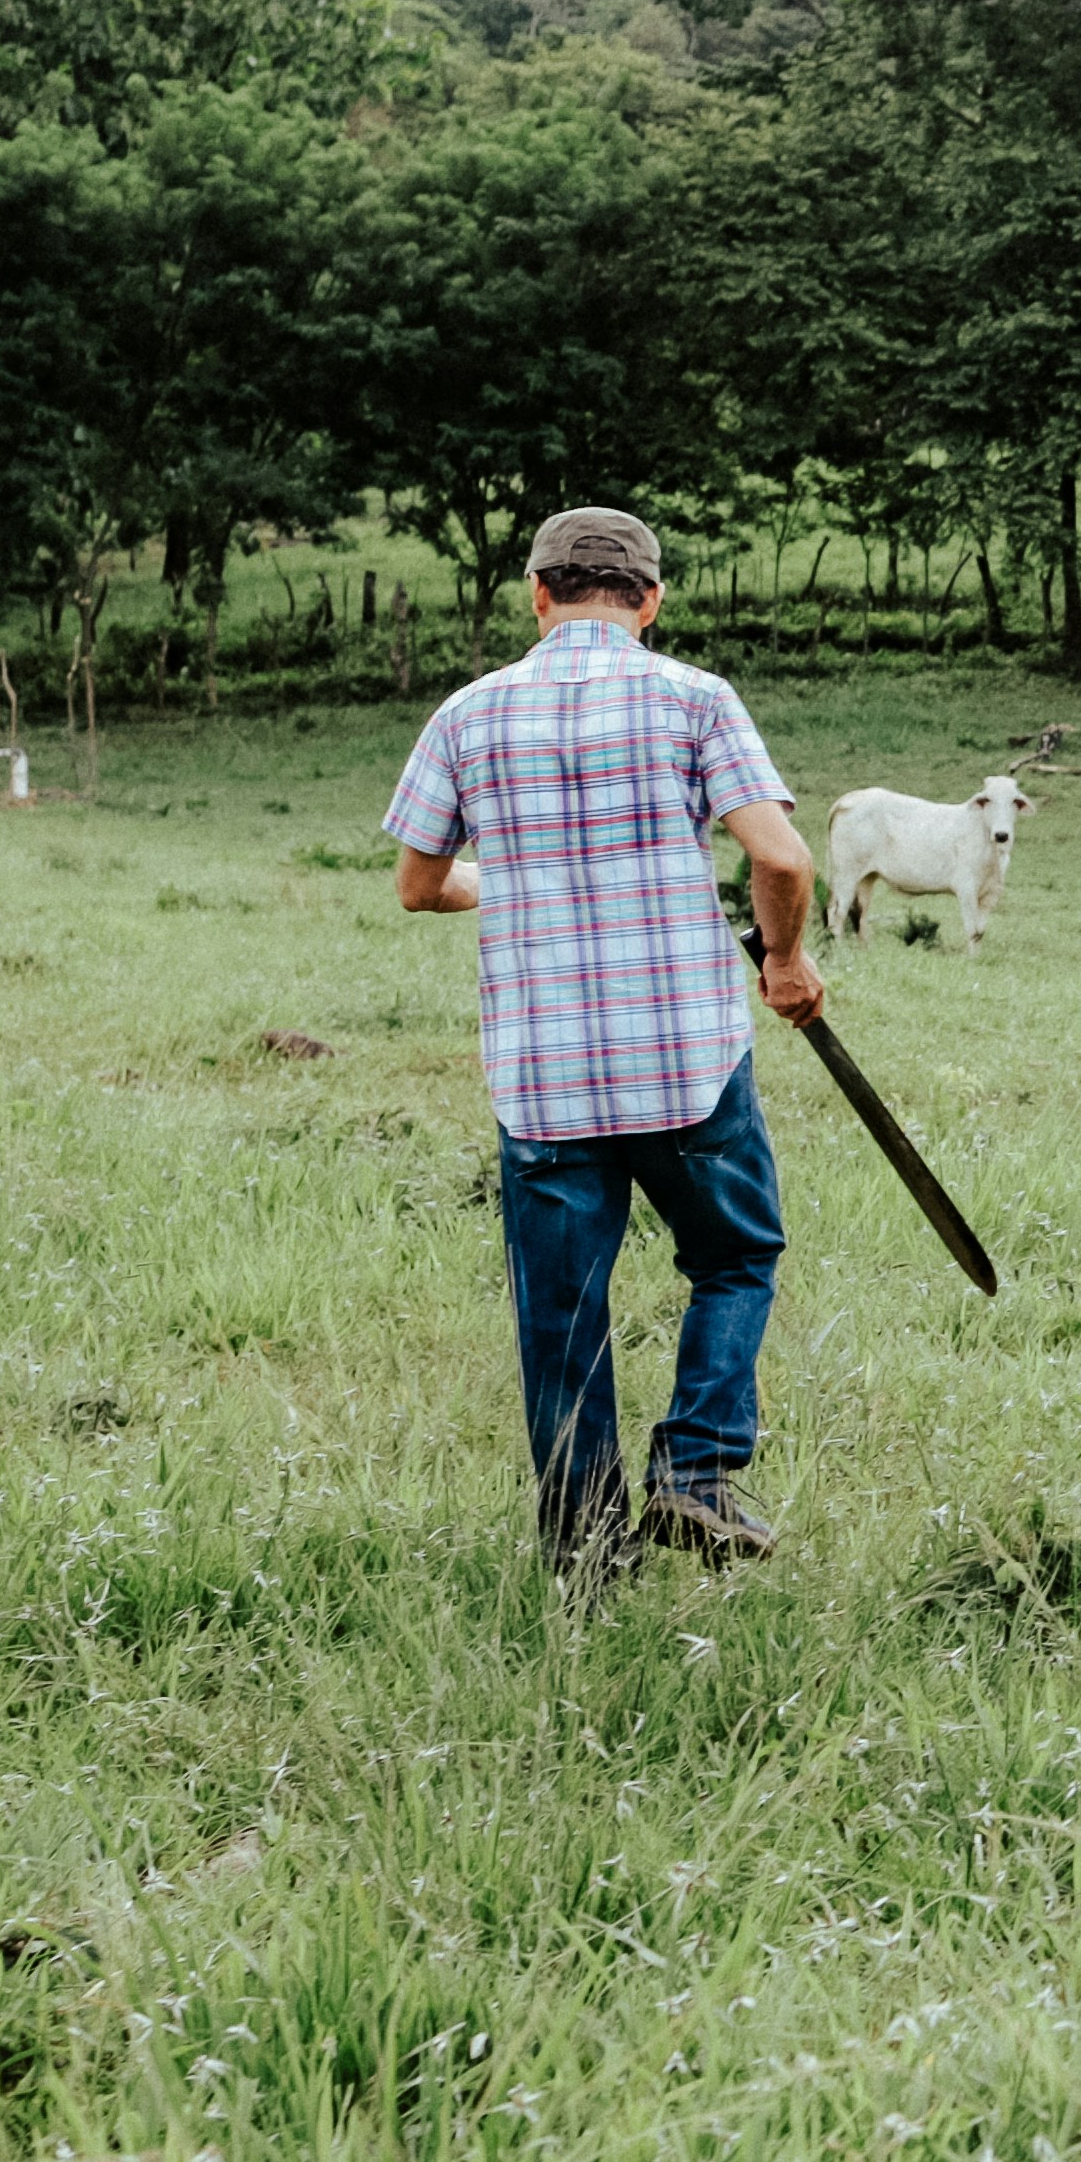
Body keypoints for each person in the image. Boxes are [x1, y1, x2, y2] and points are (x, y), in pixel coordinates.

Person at [383, 507, 819, 1573]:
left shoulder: (469, 714)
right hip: (686, 1064)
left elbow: (418, 885)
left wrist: (517, 878)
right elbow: (784, 856)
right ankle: (698, 1468)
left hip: (545, 1079)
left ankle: (584, 1553)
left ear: (537, 596)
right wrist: (784, 959)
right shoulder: (694, 698)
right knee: (734, 1255)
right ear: (651, 601)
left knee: (561, 1317)